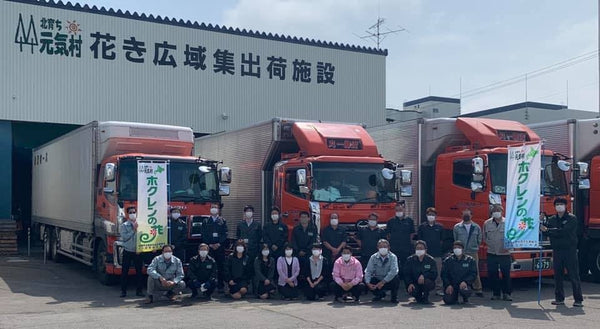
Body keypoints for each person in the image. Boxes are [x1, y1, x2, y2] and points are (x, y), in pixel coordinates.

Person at [540, 198, 583, 307]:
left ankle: (578, 299)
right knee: (558, 275)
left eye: (561, 204)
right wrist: (541, 223)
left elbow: (564, 231)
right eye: (557, 204)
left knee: (573, 275)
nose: (559, 206)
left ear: (565, 206)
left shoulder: (571, 218)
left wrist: (548, 231)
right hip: (557, 250)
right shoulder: (552, 219)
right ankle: (559, 298)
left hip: (570, 251)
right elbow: (545, 230)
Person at [483, 204, 512, 301]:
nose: (496, 212)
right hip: (491, 252)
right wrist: (490, 244)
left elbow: (513, 236)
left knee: (506, 274)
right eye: (494, 210)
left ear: (502, 211)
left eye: (498, 210)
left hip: (504, 253)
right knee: (492, 274)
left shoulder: (508, 222)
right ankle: (496, 293)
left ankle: (507, 293)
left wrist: (508, 247)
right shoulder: (487, 223)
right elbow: (484, 237)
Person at [453, 208, 483, 297]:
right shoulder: (457, 227)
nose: (466, 216)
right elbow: (456, 239)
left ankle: (478, 289)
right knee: (460, 271)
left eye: (468, 215)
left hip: (473, 252)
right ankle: (461, 288)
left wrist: (474, 247)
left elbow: (479, 240)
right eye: (464, 214)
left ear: (471, 215)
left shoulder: (476, 227)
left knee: (475, 270)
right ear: (461, 215)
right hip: (461, 253)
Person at [417, 207, 444, 296]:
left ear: (436, 216)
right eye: (429, 215)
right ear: (426, 215)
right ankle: (422, 288)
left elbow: (441, 240)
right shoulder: (422, 227)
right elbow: (419, 241)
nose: (431, 216)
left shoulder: (440, 227)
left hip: (437, 253)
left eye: (433, 215)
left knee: (438, 272)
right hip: (425, 255)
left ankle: (439, 289)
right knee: (423, 271)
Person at [202, 202, 228, 292]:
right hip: (209, 248)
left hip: (219, 248)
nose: (214, 209)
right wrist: (209, 244)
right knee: (209, 266)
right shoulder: (205, 221)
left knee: (220, 266)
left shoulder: (222, 221)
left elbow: (225, 234)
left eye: (215, 207)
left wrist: (219, 244)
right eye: (212, 207)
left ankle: (220, 285)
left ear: (218, 210)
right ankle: (209, 286)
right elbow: (204, 234)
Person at [441, 241, 477, 305]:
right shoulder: (448, 260)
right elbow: (444, 274)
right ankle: (454, 298)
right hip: (452, 285)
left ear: (463, 249)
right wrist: (448, 285)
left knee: (466, 291)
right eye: (455, 248)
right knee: (448, 300)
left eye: (459, 247)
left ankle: (465, 299)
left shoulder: (470, 260)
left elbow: (473, 274)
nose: (457, 249)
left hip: (463, 284)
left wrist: (466, 281)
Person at [119, 206, 144, 297]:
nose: (132, 214)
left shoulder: (141, 224)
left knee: (139, 272)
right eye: (130, 212)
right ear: (127, 214)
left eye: (134, 212)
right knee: (125, 271)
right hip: (128, 251)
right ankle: (123, 291)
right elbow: (125, 238)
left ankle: (139, 291)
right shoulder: (124, 226)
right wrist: (133, 230)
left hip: (138, 252)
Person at [364, 239, 400, 303]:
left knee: (396, 278)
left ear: (389, 248)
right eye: (380, 247)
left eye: (385, 246)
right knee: (369, 279)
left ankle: (394, 296)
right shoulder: (373, 257)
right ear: (377, 248)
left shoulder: (393, 257)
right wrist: (368, 283)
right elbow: (368, 271)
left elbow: (394, 271)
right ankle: (379, 295)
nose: (383, 248)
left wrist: (383, 282)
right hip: (378, 279)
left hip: (388, 280)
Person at [386, 202, 416, 276]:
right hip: (394, 248)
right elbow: (388, 234)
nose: (399, 212)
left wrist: (408, 241)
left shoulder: (409, 221)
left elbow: (412, 233)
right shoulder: (390, 221)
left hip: (406, 248)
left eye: (400, 210)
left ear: (404, 209)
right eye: (397, 210)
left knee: (406, 265)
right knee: (394, 265)